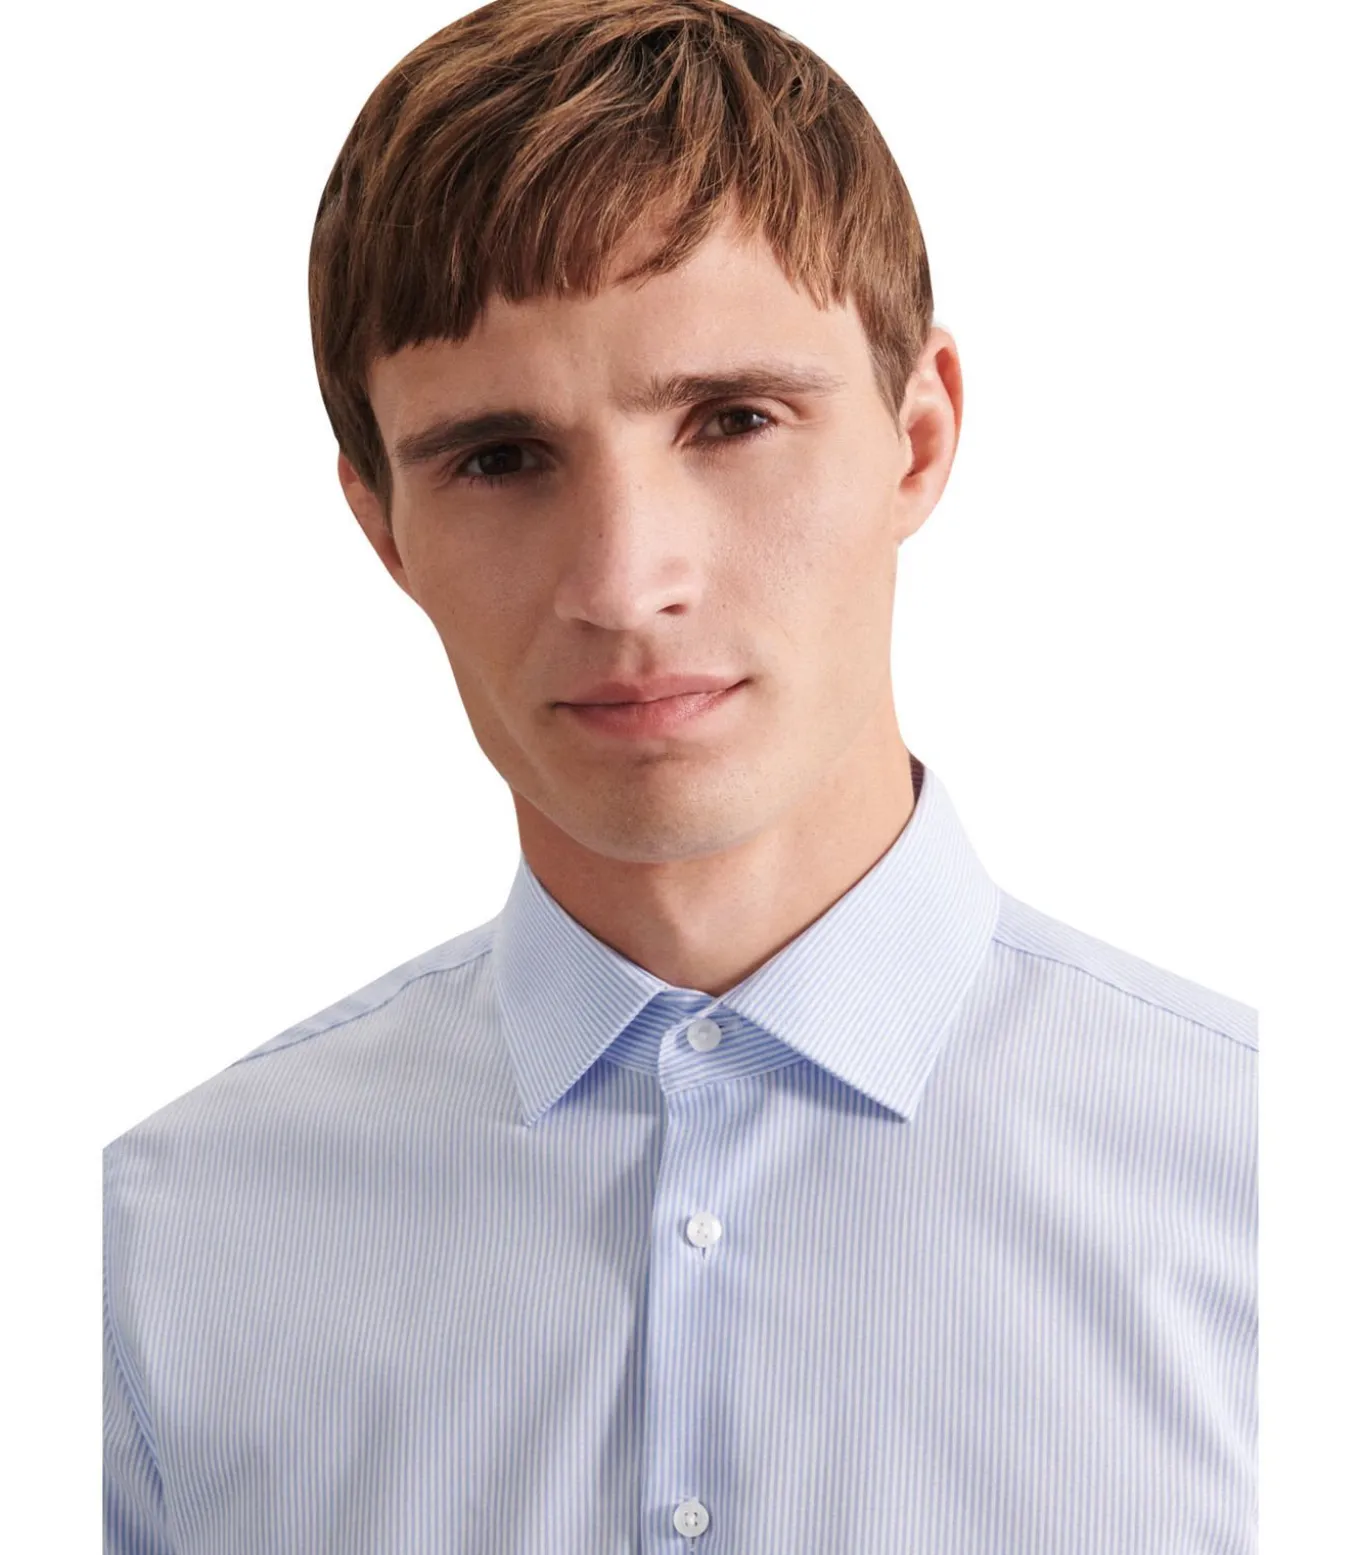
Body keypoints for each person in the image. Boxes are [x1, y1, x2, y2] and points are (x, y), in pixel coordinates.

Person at [102, 1, 1258, 1550]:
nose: (625, 581)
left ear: (919, 440)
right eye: (499, 458)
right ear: (383, 527)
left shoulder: (1272, 1196)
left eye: (732, 420)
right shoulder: (157, 1256)